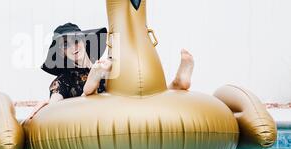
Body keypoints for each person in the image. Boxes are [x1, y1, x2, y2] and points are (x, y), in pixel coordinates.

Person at [27, 22, 194, 119]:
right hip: (91, 118)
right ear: (62, 52)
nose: (73, 47)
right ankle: (91, 84)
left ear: (84, 41)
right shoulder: (63, 80)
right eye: (66, 45)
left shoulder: (108, 67)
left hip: (119, 110)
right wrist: (49, 104)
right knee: (88, 94)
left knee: (139, 89)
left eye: (76, 41)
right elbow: (56, 100)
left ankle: (178, 83)